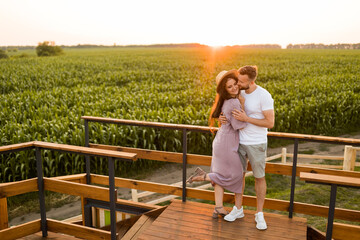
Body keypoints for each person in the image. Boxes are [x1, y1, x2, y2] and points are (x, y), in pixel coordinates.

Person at [186, 69, 246, 219]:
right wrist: (244, 108)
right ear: (225, 90)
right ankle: (202, 176)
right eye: (229, 87)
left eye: (235, 84)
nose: (234, 88)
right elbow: (240, 125)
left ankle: (218, 207)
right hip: (227, 144)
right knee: (236, 175)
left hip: (220, 141)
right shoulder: (233, 102)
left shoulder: (224, 101)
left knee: (220, 174)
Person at [221, 65, 274, 230]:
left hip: (257, 143)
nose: (238, 84)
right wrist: (223, 119)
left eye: (242, 82)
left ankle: (259, 214)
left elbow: (270, 123)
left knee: (259, 177)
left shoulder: (264, 96)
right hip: (239, 141)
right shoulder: (238, 92)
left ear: (251, 82)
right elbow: (228, 109)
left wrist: (247, 118)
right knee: (239, 176)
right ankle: (238, 209)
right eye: (238, 79)